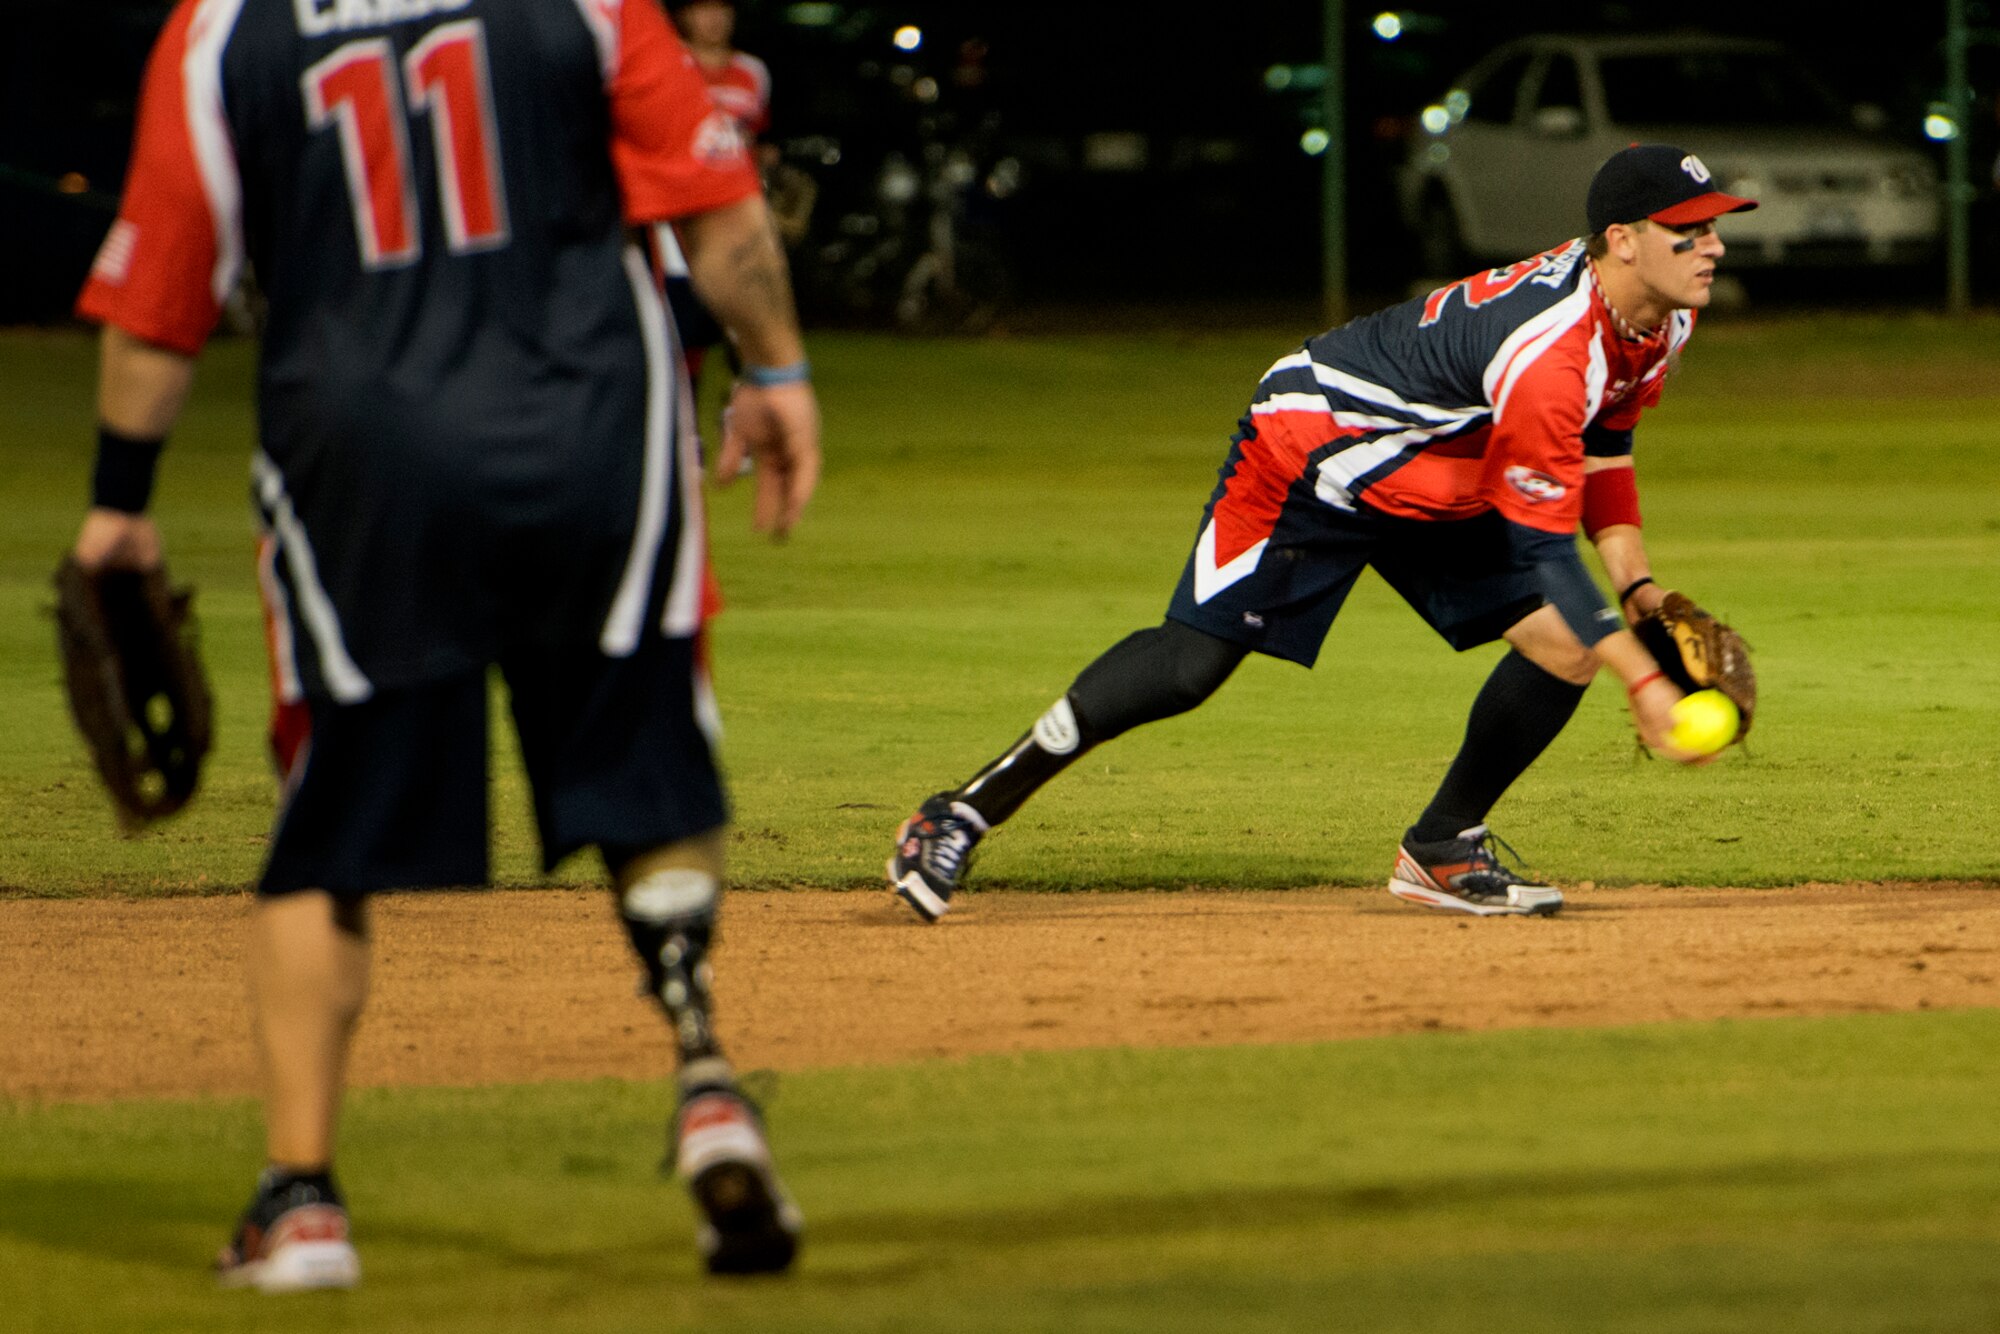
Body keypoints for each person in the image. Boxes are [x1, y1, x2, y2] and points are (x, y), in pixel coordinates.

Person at [71, 0, 820, 1290]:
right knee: (645, 777)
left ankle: (300, 1198)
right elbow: (718, 205)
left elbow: (161, 295)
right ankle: (706, 1081)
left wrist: (118, 503)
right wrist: (778, 370)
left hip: (360, 453)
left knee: (329, 825)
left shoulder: (221, 31)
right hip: (597, 426)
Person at [888, 144, 1755, 924]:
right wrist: (1643, 680)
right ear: (1622, 240)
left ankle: (1443, 848)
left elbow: (1606, 445)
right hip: (1313, 447)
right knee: (1190, 667)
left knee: (1565, 647)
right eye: (1687, 232)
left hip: (1442, 465)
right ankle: (956, 814)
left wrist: (1639, 593)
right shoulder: (1550, 352)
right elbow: (1539, 544)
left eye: (1713, 227)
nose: (1711, 246)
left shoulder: (1662, 317)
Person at [658, 0, 776, 413]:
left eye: (722, 8)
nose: (714, 19)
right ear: (685, 15)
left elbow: (758, 138)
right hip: (681, 216)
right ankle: (686, 428)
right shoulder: (667, 63)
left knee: (747, 326)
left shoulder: (753, 72)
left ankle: (742, 420)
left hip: (737, 213)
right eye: (703, 9)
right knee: (684, 326)